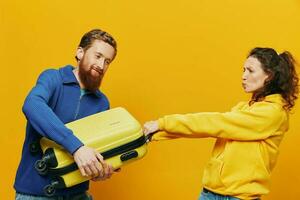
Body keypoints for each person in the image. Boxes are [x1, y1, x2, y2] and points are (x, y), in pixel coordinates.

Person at [143, 47, 299, 200]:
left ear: (269, 76)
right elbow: (205, 129)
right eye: (243, 70)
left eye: (250, 71)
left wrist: (163, 123)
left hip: (239, 197)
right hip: (210, 193)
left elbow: (215, 123)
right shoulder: (244, 108)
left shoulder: (272, 113)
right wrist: (157, 133)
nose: (243, 76)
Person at [14, 29, 118, 200]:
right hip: (35, 194)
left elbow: (95, 150)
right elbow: (32, 104)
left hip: (77, 195)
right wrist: (76, 147)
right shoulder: (52, 78)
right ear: (80, 52)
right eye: (98, 56)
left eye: (107, 61)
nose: (101, 65)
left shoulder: (102, 103)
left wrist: (99, 169)